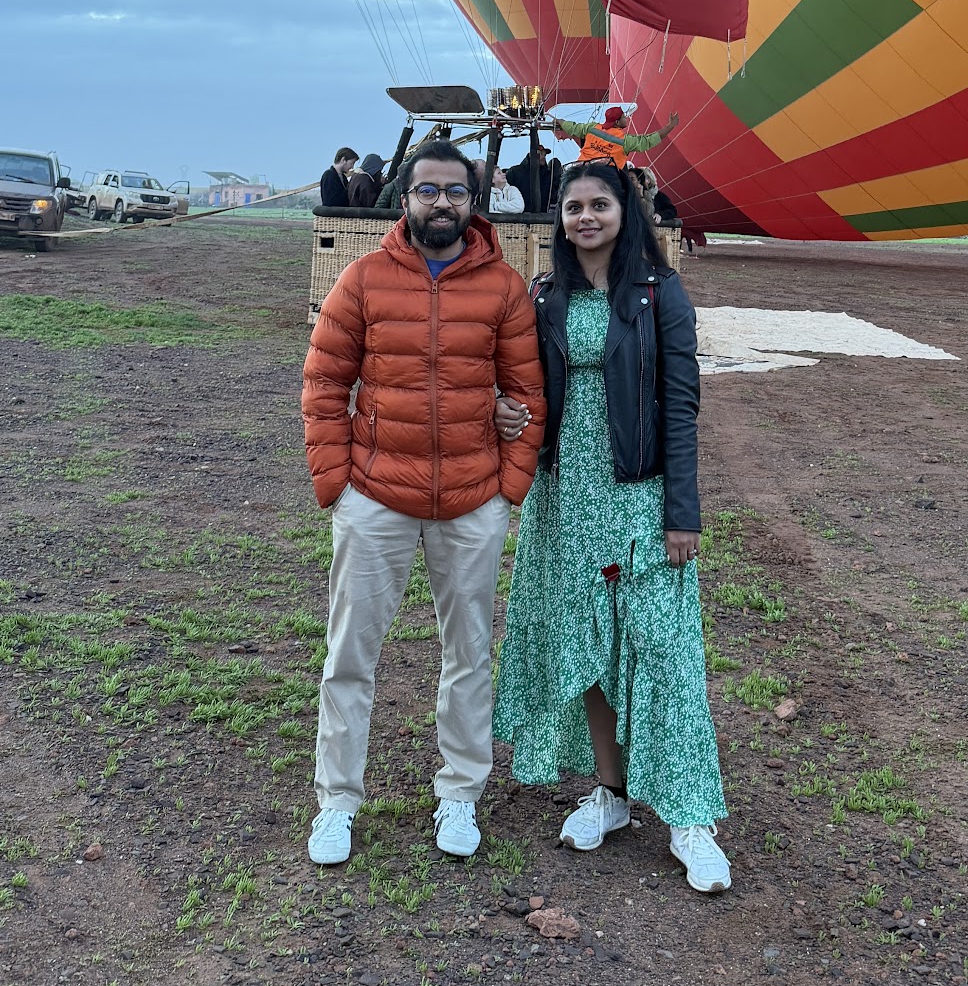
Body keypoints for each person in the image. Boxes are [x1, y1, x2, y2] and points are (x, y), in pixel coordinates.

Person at [301, 142, 546, 867]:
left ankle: (460, 795)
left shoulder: (502, 288)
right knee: (350, 655)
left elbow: (528, 395)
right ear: (403, 199)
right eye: (428, 191)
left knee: (469, 655)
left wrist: (508, 489)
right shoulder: (364, 280)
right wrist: (337, 487)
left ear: (475, 202)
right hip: (376, 496)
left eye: (456, 193)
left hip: (472, 500)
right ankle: (337, 801)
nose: (442, 203)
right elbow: (323, 385)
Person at [490, 161, 731, 894]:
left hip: (639, 494)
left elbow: (681, 408)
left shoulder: (660, 295)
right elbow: (529, 391)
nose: (585, 217)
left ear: (625, 213)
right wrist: (508, 415)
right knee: (587, 644)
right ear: (558, 219)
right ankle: (612, 794)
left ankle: (690, 817)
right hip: (566, 499)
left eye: (600, 204)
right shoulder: (546, 297)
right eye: (573, 207)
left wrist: (681, 514)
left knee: (661, 649)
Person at [554, 105, 679, 172]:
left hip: (581, 170)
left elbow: (573, 128)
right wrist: (671, 126)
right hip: (607, 176)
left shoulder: (592, 128)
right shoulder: (625, 141)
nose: (627, 118)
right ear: (618, 122)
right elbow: (647, 141)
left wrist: (560, 121)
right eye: (624, 117)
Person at [505, 136, 555, 213]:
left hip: (542, 217)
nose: (543, 158)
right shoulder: (514, 172)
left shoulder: (548, 176)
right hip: (518, 217)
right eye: (541, 154)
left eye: (544, 155)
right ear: (531, 155)